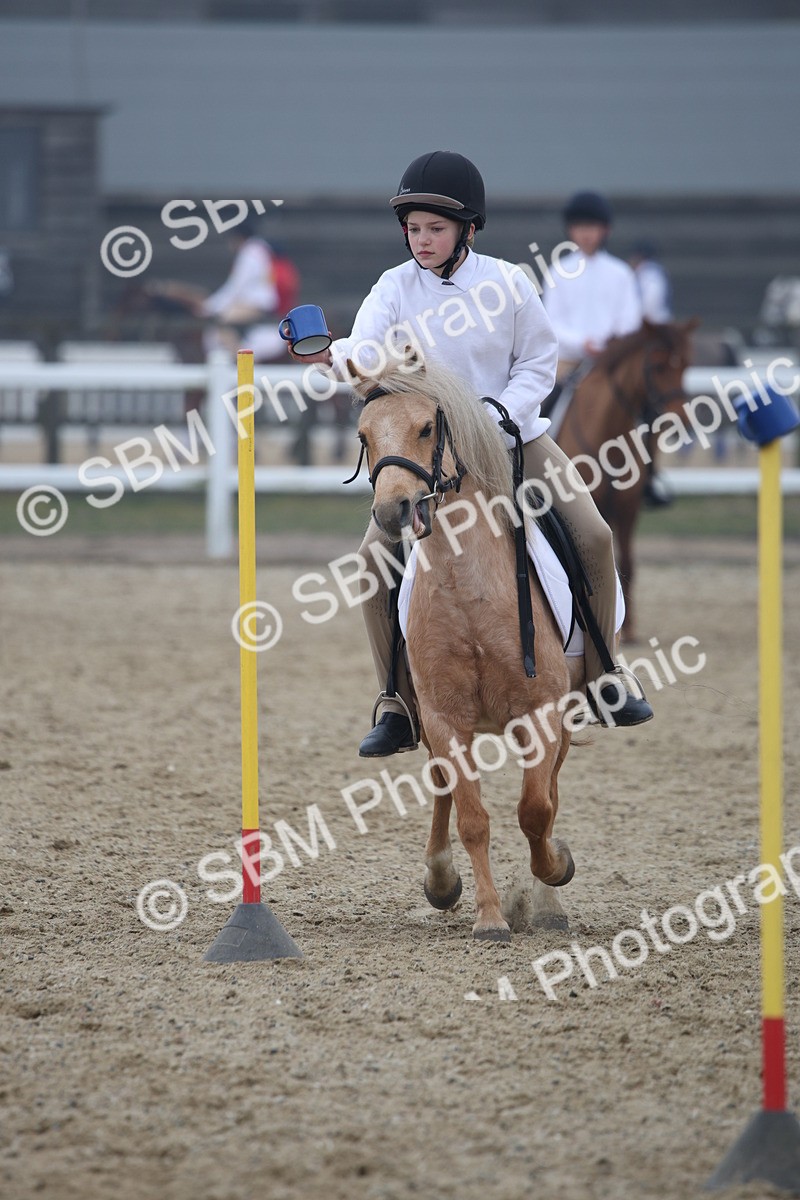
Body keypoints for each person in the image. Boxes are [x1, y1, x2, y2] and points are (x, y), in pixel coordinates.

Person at [288, 153, 653, 756]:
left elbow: (538, 361)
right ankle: (396, 703)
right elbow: (366, 349)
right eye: (413, 229)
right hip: (429, 455)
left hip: (515, 439)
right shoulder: (393, 286)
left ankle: (605, 674)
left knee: (594, 536)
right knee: (371, 560)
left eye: (434, 229)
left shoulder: (508, 283)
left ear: (467, 230)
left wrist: (498, 418)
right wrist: (332, 355)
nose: (421, 241)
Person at [627, 239, 673, 324]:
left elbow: (652, 297)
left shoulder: (650, 272)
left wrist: (642, 316)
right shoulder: (644, 272)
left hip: (654, 322)